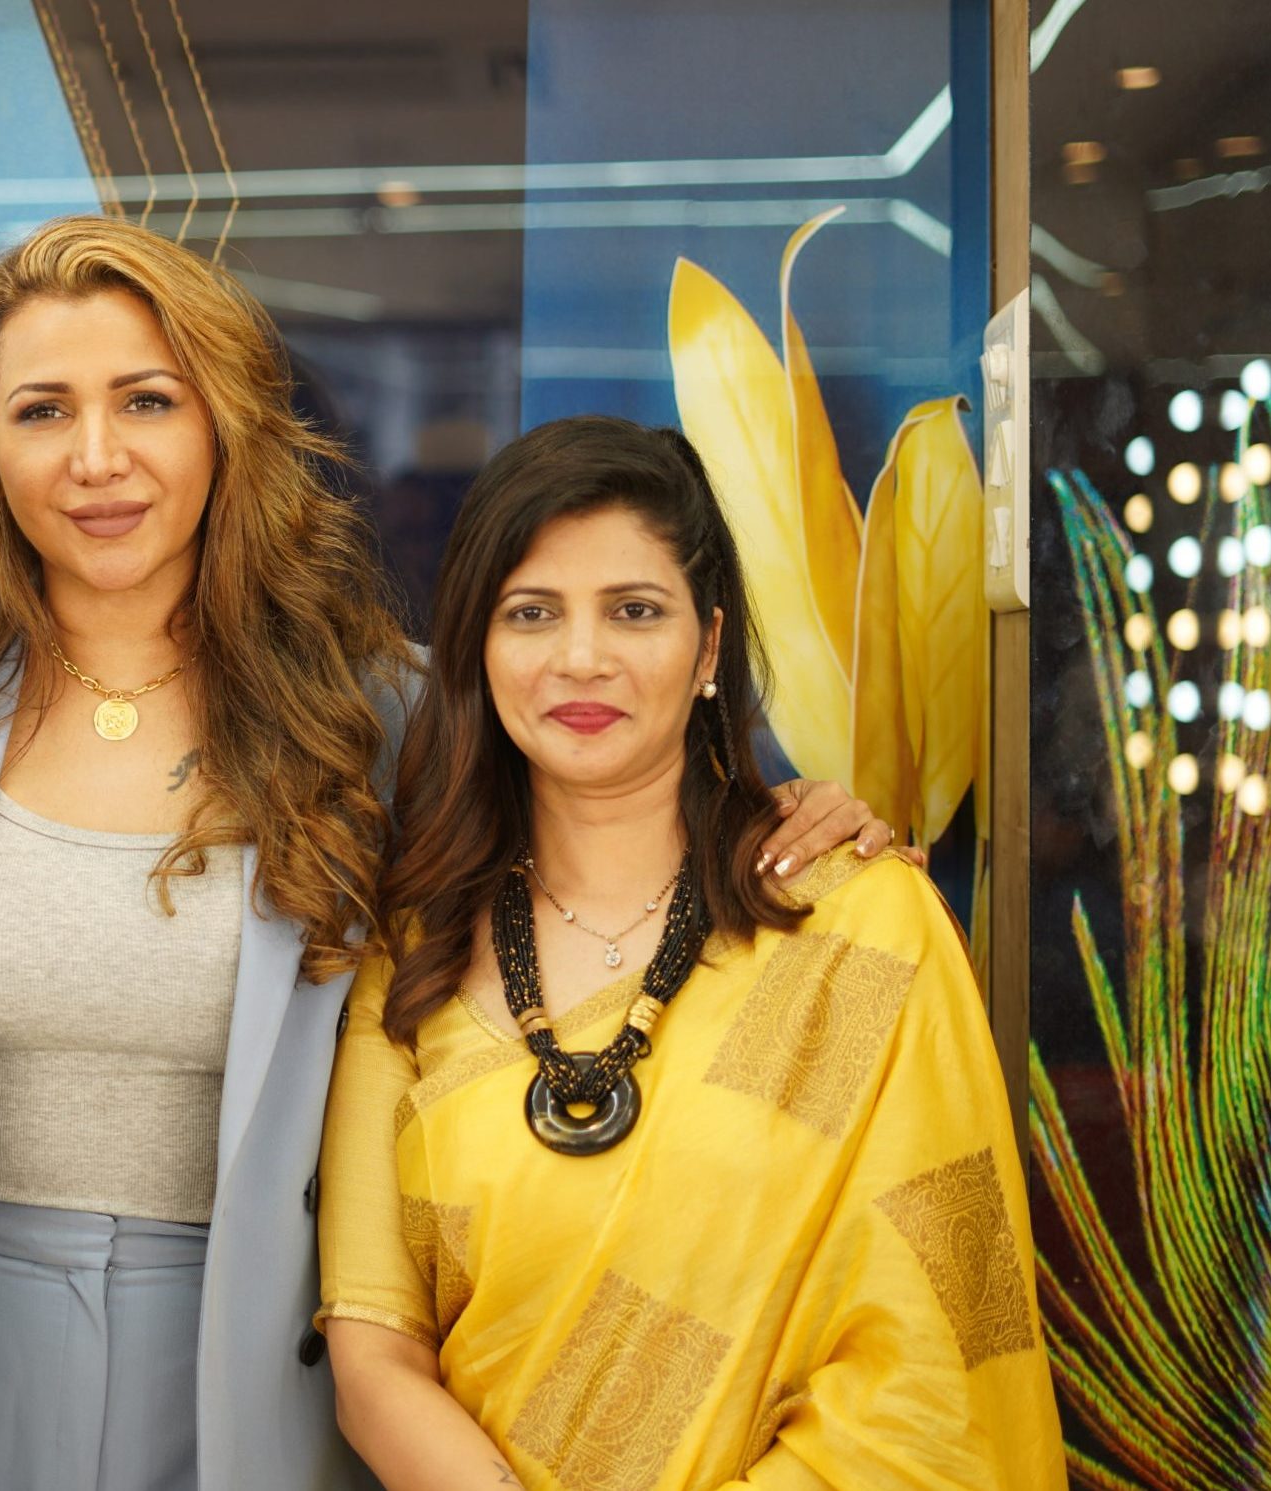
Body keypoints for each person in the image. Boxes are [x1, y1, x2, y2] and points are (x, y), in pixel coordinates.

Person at [0, 217, 903, 1491]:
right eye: (42, 411)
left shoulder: (375, 711)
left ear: (224, 423)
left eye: (147, 401)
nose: (96, 459)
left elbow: (607, 838)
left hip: (256, 1365)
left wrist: (781, 816)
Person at [318, 415, 1065, 1490]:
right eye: (531, 612)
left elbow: (935, 1373)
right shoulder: (413, 955)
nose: (582, 657)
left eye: (634, 610)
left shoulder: (858, 931)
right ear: (477, 645)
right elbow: (374, 1357)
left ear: (708, 647)